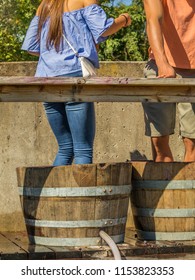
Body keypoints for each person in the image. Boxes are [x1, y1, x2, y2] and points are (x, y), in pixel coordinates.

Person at [22, 0, 131, 166]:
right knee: (82, 149)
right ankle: (81, 193)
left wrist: (55, 56)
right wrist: (123, 19)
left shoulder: (44, 5)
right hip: (74, 78)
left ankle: (57, 192)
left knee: (65, 148)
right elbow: (104, 29)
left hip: (46, 79)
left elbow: (31, 46)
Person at [142, 0, 195, 162]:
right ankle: (161, 187)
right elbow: (153, 19)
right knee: (159, 144)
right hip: (160, 65)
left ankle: (189, 187)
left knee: (192, 144)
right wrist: (162, 62)